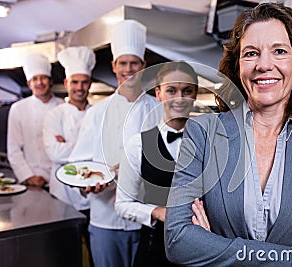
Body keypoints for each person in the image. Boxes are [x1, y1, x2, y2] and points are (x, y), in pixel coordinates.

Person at [165, 3, 292, 267]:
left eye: (280, 51)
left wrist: (214, 246)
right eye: (251, 53)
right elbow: (179, 241)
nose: (264, 65)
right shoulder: (202, 133)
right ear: (238, 67)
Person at [68, 20, 161, 267]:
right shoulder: (97, 113)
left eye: (134, 63)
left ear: (143, 66)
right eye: (123, 63)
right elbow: (78, 163)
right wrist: (86, 184)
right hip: (105, 218)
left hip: (147, 220)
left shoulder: (159, 111)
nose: (128, 69)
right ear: (113, 66)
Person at [115, 61, 198, 267]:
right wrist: (156, 212)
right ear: (158, 94)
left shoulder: (210, 140)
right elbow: (122, 205)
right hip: (155, 248)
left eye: (187, 91)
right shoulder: (137, 144)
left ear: (195, 95)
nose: (179, 98)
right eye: (171, 90)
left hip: (201, 248)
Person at [42, 46, 96, 267]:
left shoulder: (97, 113)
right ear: (66, 84)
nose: (79, 87)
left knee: (93, 253)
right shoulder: (54, 115)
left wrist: (69, 147)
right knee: (64, 255)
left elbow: (103, 151)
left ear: (90, 84)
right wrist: (87, 148)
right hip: (62, 196)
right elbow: (54, 152)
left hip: (93, 197)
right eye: (75, 82)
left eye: (84, 82)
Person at [7, 53, 64, 187]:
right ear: (29, 83)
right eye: (35, 79)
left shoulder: (63, 107)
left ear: (50, 81)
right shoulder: (18, 109)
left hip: (60, 177)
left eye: (43, 78)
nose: (39, 83)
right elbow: (13, 148)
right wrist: (28, 176)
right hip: (33, 177)